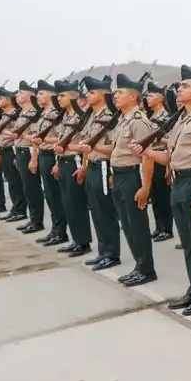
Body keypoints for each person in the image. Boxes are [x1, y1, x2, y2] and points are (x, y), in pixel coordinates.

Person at [133, 65, 191, 315]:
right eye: (179, 85)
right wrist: (146, 151)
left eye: (185, 86)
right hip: (179, 182)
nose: (179, 89)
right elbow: (171, 157)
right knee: (188, 242)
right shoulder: (182, 119)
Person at [107, 73, 158, 288]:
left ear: (133, 96)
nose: (115, 96)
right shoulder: (123, 119)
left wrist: (145, 187)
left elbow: (147, 156)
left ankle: (146, 269)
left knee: (137, 224)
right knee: (127, 224)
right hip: (119, 175)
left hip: (132, 176)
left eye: (120, 93)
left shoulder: (139, 121)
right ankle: (139, 266)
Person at [76, 75, 122, 270]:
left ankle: (111, 254)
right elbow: (87, 144)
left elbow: (114, 147)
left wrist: (92, 148)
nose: (88, 95)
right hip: (92, 166)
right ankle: (103, 251)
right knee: (96, 211)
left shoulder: (108, 117)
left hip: (103, 166)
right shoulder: (91, 116)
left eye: (92, 92)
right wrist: (85, 166)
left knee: (105, 212)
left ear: (103, 96)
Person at [49, 80, 93, 257]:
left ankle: (83, 242)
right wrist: (56, 162)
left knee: (76, 204)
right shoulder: (65, 116)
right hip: (63, 162)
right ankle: (76, 240)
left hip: (74, 162)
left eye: (62, 95)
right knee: (67, 204)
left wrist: (84, 166)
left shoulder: (80, 117)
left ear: (74, 97)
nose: (58, 98)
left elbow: (86, 145)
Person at [30, 80, 69, 246]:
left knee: (55, 196)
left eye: (41, 93)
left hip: (53, 155)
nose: (37, 96)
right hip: (43, 155)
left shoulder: (55, 113)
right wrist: (34, 157)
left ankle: (60, 232)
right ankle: (55, 229)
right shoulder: (44, 112)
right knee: (49, 195)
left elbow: (61, 137)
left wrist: (57, 161)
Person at [6, 81, 45, 234]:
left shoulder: (33, 113)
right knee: (26, 187)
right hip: (21, 151)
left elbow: (36, 138)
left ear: (28, 97)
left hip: (29, 151)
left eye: (20, 93)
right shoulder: (23, 112)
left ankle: (37, 221)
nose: (16, 96)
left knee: (32, 187)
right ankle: (32, 218)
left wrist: (34, 158)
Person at [144, 81, 175, 242]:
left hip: (162, 157)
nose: (148, 98)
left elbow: (171, 140)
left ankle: (167, 228)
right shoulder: (151, 117)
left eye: (151, 95)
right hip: (151, 158)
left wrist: (169, 166)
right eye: (147, 95)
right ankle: (158, 226)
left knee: (163, 195)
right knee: (155, 194)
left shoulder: (167, 117)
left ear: (161, 98)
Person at [0, 87, 28, 223]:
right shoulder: (4, 114)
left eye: (0, 98)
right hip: (4, 150)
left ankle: (20, 210)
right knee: (11, 182)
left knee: (16, 181)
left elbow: (16, 135)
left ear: (8, 99)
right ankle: (15, 208)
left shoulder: (14, 113)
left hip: (12, 150)